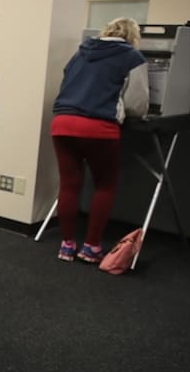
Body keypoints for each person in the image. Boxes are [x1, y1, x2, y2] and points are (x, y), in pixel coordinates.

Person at [50, 17, 148, 263]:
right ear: (132, 36)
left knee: (69, 185)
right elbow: (137, 104)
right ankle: (91, 247)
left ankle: (67, 245)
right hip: (99, 127)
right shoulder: (132, 57)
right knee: (105, 185)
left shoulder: (80, 53)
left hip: (62, 122)